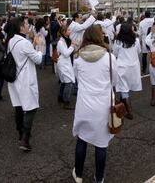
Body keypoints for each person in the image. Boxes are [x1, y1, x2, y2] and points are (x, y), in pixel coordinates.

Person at [72, 25, 118, 183]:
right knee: (101, 143)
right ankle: (99, 178)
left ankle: (78, 174)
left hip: (84, 104)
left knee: (82, 138)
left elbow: (76, 78)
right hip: (102, 105)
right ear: (100, 36)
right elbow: (115, 80)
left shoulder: (78, 57)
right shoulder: (109, 57)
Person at [7, 17, 43, 151]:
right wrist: (39, 46)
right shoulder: (24, 43)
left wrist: (32, 45)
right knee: (31, 107)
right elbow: (38, 59)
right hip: (25, 79)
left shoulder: (12, 40)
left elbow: (24, 55)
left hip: (14, 78)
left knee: (18, 106)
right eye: (27, 24)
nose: (29, 25)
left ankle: (20, 133)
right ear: (21, 27)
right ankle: (25, 138)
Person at [113, 23, 142, 120]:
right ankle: (123, 104)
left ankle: (130, 113)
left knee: (124, 88)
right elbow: (139, 52)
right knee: (126, 87)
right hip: (133, 66)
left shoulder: (118, 41)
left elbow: (115, 53)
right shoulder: (136, 40)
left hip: (122, 66)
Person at [56, 24, 77, 109]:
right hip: (63, 63)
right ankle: (66, 101)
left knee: (64, 81)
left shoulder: (66, 40)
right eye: (68, 30)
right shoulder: (61, 42)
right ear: (64, 32)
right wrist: (72, 45)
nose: (70, 31)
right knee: (68, 82)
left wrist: (74, 45)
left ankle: (61, 97)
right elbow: (66, 53)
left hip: (66, 63)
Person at [138, 9, 155, 73]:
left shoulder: (141, 22)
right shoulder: (153, 20)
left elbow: (139, 33)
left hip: (144, 40)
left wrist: (139, 41)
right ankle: (154, 66)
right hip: (152, 39)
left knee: (144, 55)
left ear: (145, 15)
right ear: (150, 15)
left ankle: (144, 69)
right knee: (153, 54)